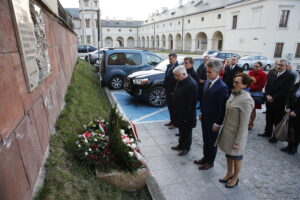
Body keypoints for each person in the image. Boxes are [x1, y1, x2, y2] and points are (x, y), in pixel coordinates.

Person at [216, 73, 254, 188]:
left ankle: (235, 177)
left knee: (236, 157)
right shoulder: (234, 94)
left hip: (237, 135)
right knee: (229, 155)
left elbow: (244, 124)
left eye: (237, 83)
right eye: (234, 82)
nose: (234, 84)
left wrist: (238, 142)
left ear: (244, 85)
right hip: (228, 132)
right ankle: (229, 173)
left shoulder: (247, 100)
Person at [194, 60, 229, 170]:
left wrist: (217, 123)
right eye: (207, 71)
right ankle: (205, 157)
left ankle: (210, 162)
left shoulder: (222, 87)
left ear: (217, 72)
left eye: (209, 72)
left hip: (214, 121)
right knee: (205, 140)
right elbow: (204, 101)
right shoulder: (207, 82)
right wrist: (202, 113)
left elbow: (222, 108)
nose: (207, 74)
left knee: (212, 142)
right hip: (205, 117)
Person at [258, 59, 296, 143]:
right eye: (278, 64)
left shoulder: (290, 76)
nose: (278, 66)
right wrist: (267, 95)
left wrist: (274, 97)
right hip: (269, 99)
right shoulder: (272, 73)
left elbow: (286, 90)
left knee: (277, 119)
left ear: (286, 66)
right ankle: (267, 132)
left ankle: (275, 136)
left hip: (279, 102)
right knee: (269, 117)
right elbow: (267, 85)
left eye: (281, 65)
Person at [171, 66, 198, 156]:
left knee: (187, 132)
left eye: (177, 76)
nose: (175, 78)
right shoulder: (181, 80)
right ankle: (180, 145)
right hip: (179, 113)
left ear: (184, 74)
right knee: (181, 131)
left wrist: (187, 117)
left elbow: (192, 104)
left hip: (187, 115)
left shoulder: (192, 84)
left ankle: (186, 147)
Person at [281, 81, 300, 155]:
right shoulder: (296, 85)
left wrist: (297, 112)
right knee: (290, 129)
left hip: (298, 114)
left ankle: (294, 148)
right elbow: (289, 96)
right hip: (291, 112)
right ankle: (289, 146)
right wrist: (288, 107)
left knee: (297, 131)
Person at [248, 62, 267, 130]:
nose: (255, 67)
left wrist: (251, 86)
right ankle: (246, 122)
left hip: (256, 94)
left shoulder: (263, 74)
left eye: (257, 66)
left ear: (261, 67)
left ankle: (251, 123)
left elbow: (261, 85)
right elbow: (247, 81)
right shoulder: (250, 72)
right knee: (247, 108)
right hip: (248, 92)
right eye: (254, 66)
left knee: (253, 109)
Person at [163, 53, 179, 129]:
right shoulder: (169, 66)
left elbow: (178, 81)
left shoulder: (178, 67)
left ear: (175, 59)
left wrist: (175, 91)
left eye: (171, 59)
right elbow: (166, 77)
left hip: (173, 92)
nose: (170, 60)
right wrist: (164, 87)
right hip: (168, 90)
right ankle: (172, 121)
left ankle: (175, 123)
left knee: (174, 108)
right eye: (169, 59)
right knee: (170, 107)